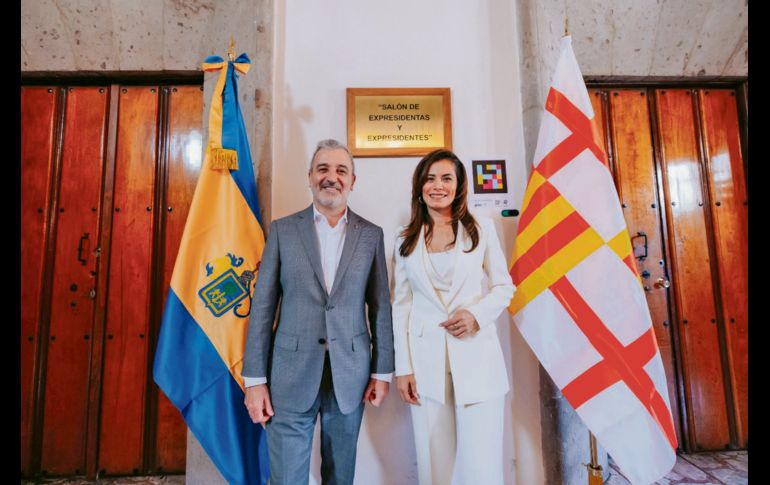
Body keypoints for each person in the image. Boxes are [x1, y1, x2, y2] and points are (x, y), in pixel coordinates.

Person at [242, 139, 394, 485]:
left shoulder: (371, 236)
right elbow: (263, 307)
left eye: (341, 170)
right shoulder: (283, 230)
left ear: (353, 180)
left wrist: (382, 371)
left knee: (340, 477)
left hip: (350, 375)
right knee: (287, 477)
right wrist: (254, 381)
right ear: (310, 176)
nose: (332, 177)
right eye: (323, 169)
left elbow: (380, 307)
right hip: (289, 376)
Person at [392, 148, 515, 485]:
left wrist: (476, 315)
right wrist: (404, 370)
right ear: (419, 187)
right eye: (430, 178)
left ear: (459, 185)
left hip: (478, 363)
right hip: (426, 367)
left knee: (481, 465)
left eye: (446, 178)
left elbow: (505, 286)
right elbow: (400, 306)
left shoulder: (483, 229)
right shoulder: (404, 240)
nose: (438, 185)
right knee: (435, 464)